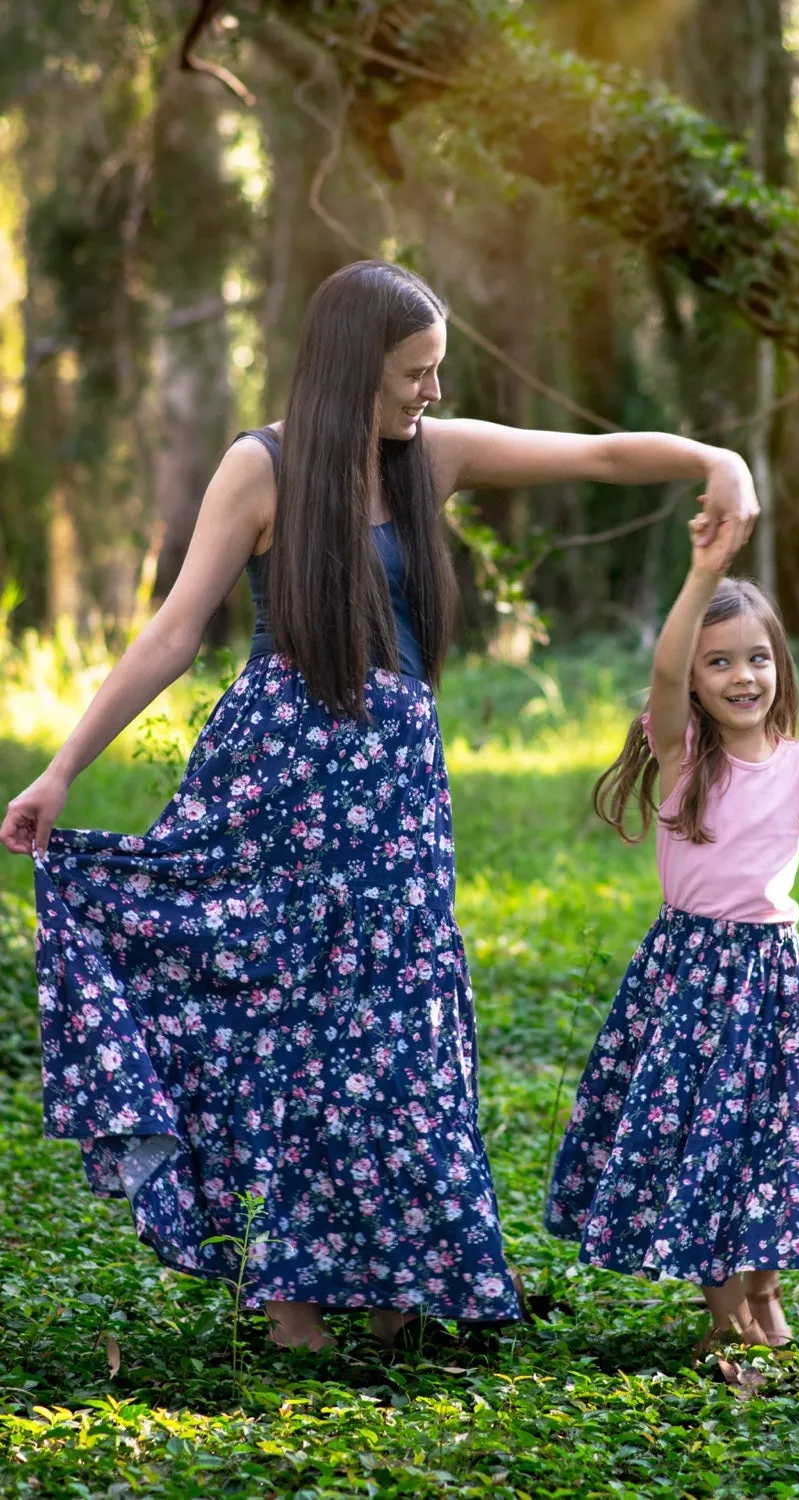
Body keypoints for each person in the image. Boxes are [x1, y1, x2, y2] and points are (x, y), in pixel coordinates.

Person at [1, 259, 759, 1353]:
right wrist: (61, 769)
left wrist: (714, 457)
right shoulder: (258, 468)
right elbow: (174, 632)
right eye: (416, 373)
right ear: (359, 366)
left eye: (439, 373)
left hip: (397, 790)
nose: (433, 395)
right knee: (299, 1027)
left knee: (404, 1024)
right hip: (280, 779)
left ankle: (404, 1282)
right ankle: (293, 1302)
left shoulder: (427, 461)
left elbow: (592, 454)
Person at [544, 513, 799, 1348]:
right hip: (692, 973)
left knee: (775, 1135)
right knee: (704, 1132)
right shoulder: (685, 753)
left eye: (756, 657)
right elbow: (660, 668)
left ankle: (764, 1292)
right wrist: (700, 577)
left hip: (773, 978)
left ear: (779, 665)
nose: (742, 676)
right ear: (691, 680)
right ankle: (725, 1307)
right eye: (718, 661)